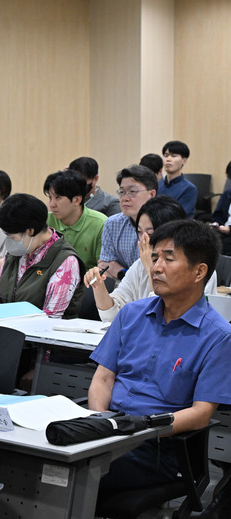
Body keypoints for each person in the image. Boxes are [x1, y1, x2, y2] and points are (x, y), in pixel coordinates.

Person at [89, 219, 231, 496]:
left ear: (199, 271)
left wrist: (139, 429)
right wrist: (101, 420)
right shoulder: (131, 314)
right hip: (107, 429)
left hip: (157, 445)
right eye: (154, 258)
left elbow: (201, 414)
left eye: (169, 258)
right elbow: (103, 378)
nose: (155, 267)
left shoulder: (219, 336)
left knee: (78, 471)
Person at [85, 196, 217, 322]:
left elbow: (165, 318)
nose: (143, 240)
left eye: (150, 233)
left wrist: (151, 267)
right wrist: (99, 286)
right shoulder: (140, 265)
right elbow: (113, 316)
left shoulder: (194, 268)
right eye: (139, 232)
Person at [0, 193, 84, 318]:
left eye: (11, 236)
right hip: (10, 325)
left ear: (30, 230)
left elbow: (51, 317)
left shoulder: (65, 261)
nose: (9, 241)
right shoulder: (16, 252)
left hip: (41, 329)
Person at [98, 165, 158, 280]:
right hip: (122, 287)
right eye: (122, 192)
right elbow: (105, 265)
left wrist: (121, 272)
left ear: (151, 194)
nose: (125, 198)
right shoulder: (112, 224)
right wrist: (124, 274)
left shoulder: (165, 223)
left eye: (132, 192)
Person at [44, 169, 107, 268]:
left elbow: (103, 267)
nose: (52, 204)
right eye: (50, 198)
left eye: (58, 198)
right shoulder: (45, 222)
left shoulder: (101, 224)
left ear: (77, 200)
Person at [159, 140, 197, 218]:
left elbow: (179, 216)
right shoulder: (157, 185)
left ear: (184, 161)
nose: (168, 159)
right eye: (166, 155)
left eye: (174, 156)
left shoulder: (189, 189)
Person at [209, 160, 231, 255]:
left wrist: (230, 229)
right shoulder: (227, 194)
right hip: (223, 232)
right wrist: (216, 223)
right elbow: (218, 214)